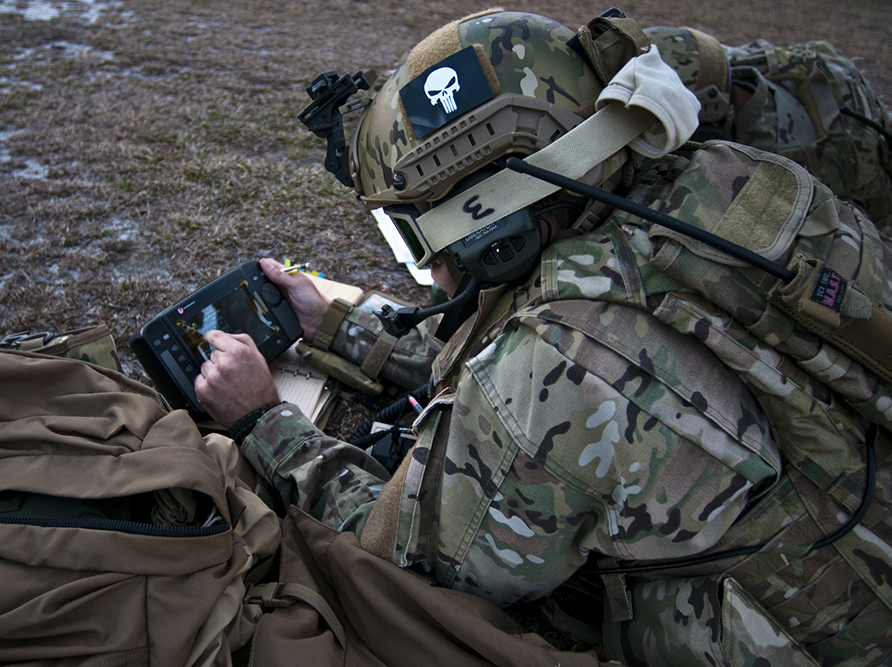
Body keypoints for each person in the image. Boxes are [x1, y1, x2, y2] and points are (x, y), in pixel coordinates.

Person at [195, 9, 892, 666]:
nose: (427, 269)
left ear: (497, 231)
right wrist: (341, 328)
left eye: (417, 238)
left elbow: (403, 555)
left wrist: (265, 419)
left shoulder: (554, 361)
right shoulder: (725, 180)